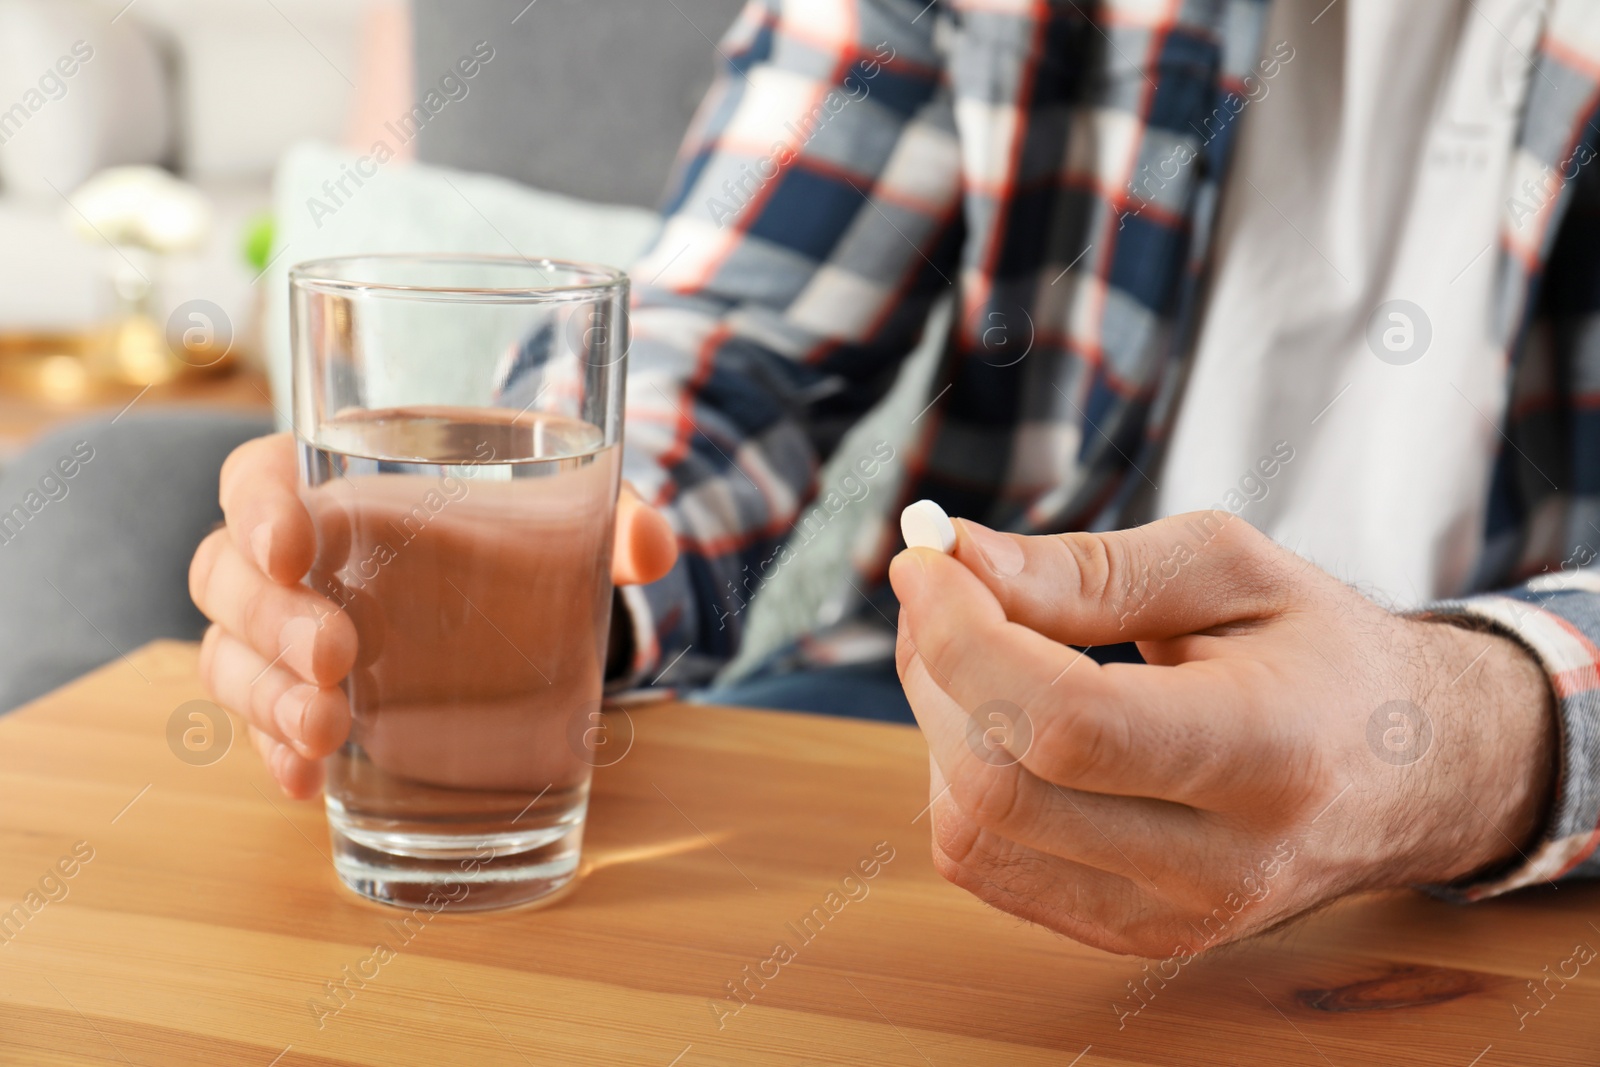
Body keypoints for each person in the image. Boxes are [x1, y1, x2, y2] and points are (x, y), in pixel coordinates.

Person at [189, 0, 1600, 957]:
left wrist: (1481, 732)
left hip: (1535, 849)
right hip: (934, 741)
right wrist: (533, 577)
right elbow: (727, 321)